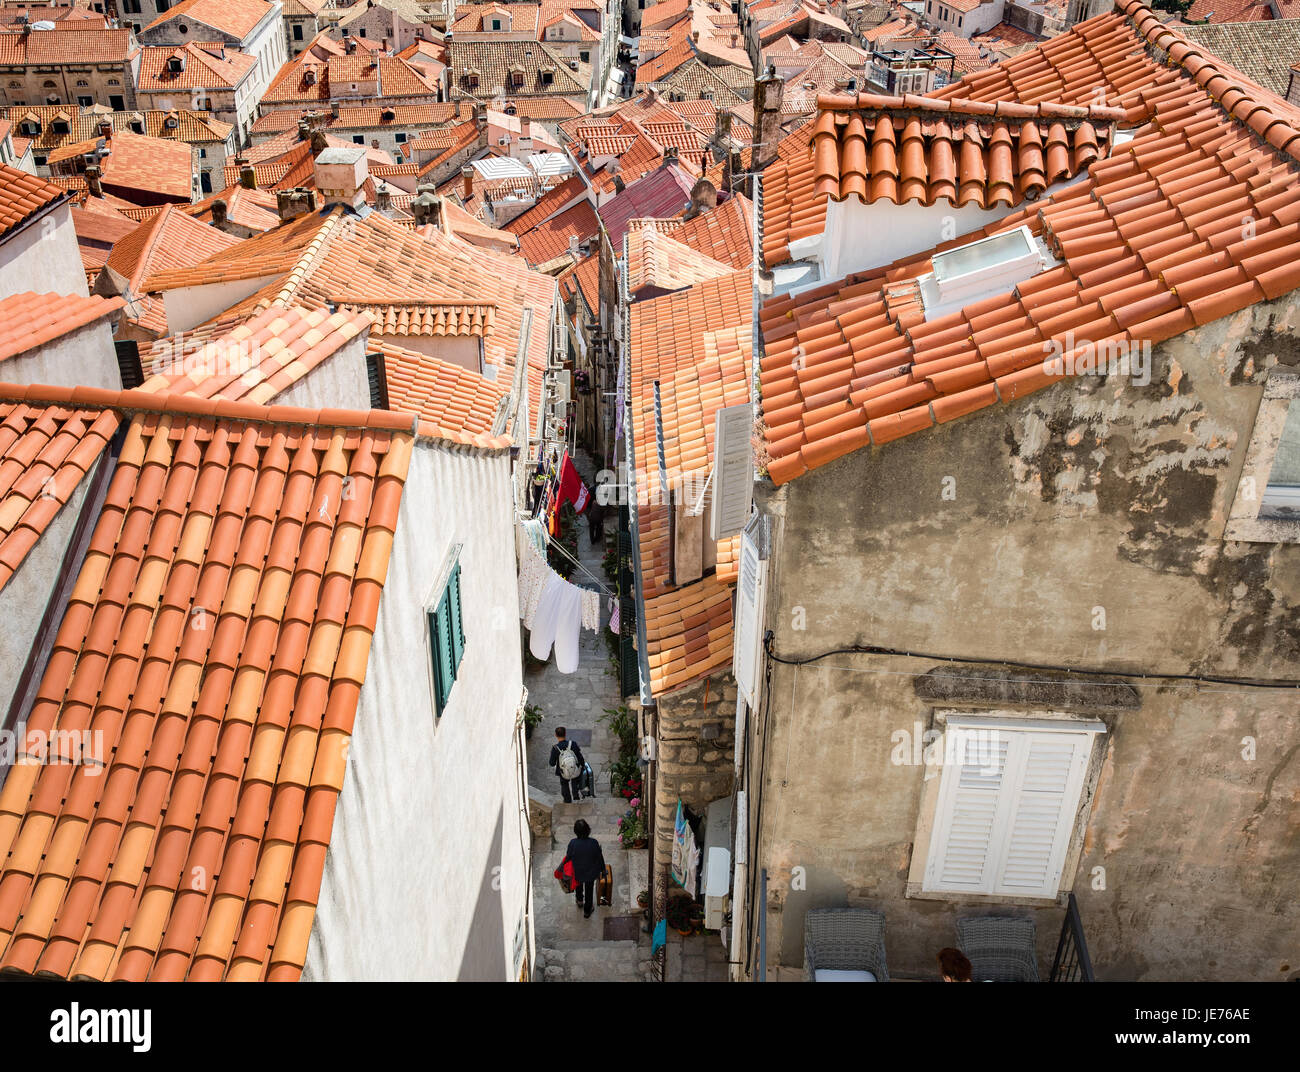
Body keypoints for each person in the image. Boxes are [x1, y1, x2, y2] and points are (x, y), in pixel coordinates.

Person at [564, 819, 606, 919]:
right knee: (589, 890)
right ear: (588, 830)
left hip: (577, 871)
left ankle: (579, 901)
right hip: (591, 873)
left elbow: (568, 857)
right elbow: (599, 857)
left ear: (576, 832)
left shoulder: (572, 843)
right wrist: (603, 870)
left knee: (578, 885)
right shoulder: (594, 842)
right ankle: (587, 910)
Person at [549, 726, 585, 803]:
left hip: (563, 772)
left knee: (564, 784)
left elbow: (551, 763)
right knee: (575, 780)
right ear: (566, 734)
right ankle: (576, 797)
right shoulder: (573, 744)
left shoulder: (555, 748)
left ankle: (567, 800)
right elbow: (580, 757)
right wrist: (583, 765)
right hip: (574, 768)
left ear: (556, 735)